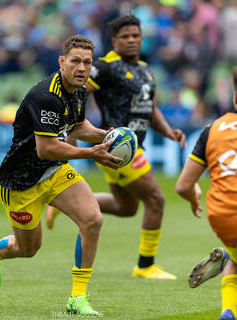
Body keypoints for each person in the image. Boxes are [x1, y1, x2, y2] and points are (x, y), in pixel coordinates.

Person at [0, 34, 123, 316]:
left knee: (92, 219)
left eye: (87, 62)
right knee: (28, 248)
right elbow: (47, 148)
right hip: (21, 183)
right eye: (76, 61)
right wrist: (92, 153)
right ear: (62, 62)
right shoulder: (45, 96)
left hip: (54, 172)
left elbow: (78, 127)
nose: (82, 68)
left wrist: (108, 136)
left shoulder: (78, 89)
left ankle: (77, 298)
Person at [46, 15, 186, 280]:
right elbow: (77, 91)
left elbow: (150, 108)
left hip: (134, 147)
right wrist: (73, 126)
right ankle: (145, 265)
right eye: (125, 37)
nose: (132, 40)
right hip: (117, 146)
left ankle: (63, 202)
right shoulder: (106, 67)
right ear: (114, 41)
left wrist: (169, 131)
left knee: (127, 208)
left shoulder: (145, 69)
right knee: (156, 200)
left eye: (136, 36)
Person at [176, 67, 237, 320]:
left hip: (222, 216)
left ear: (235, 97)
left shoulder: (213, 129)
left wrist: (193, 197)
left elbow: (182, 186)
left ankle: (229, 311)